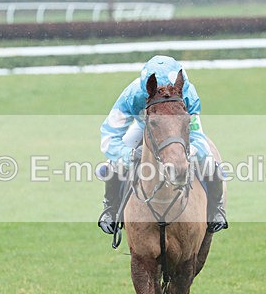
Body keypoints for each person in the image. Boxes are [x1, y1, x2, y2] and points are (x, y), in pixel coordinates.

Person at [97, 55, 228, 235]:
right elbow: (109, 135)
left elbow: (196, 134)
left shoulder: (188, 94)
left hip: (179, 130)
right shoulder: (133, 95)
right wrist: (128, 155)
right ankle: (111, 210)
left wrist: (188, 154)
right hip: (146, 127)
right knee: (113, 165)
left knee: (208, 161)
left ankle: (216, 210)